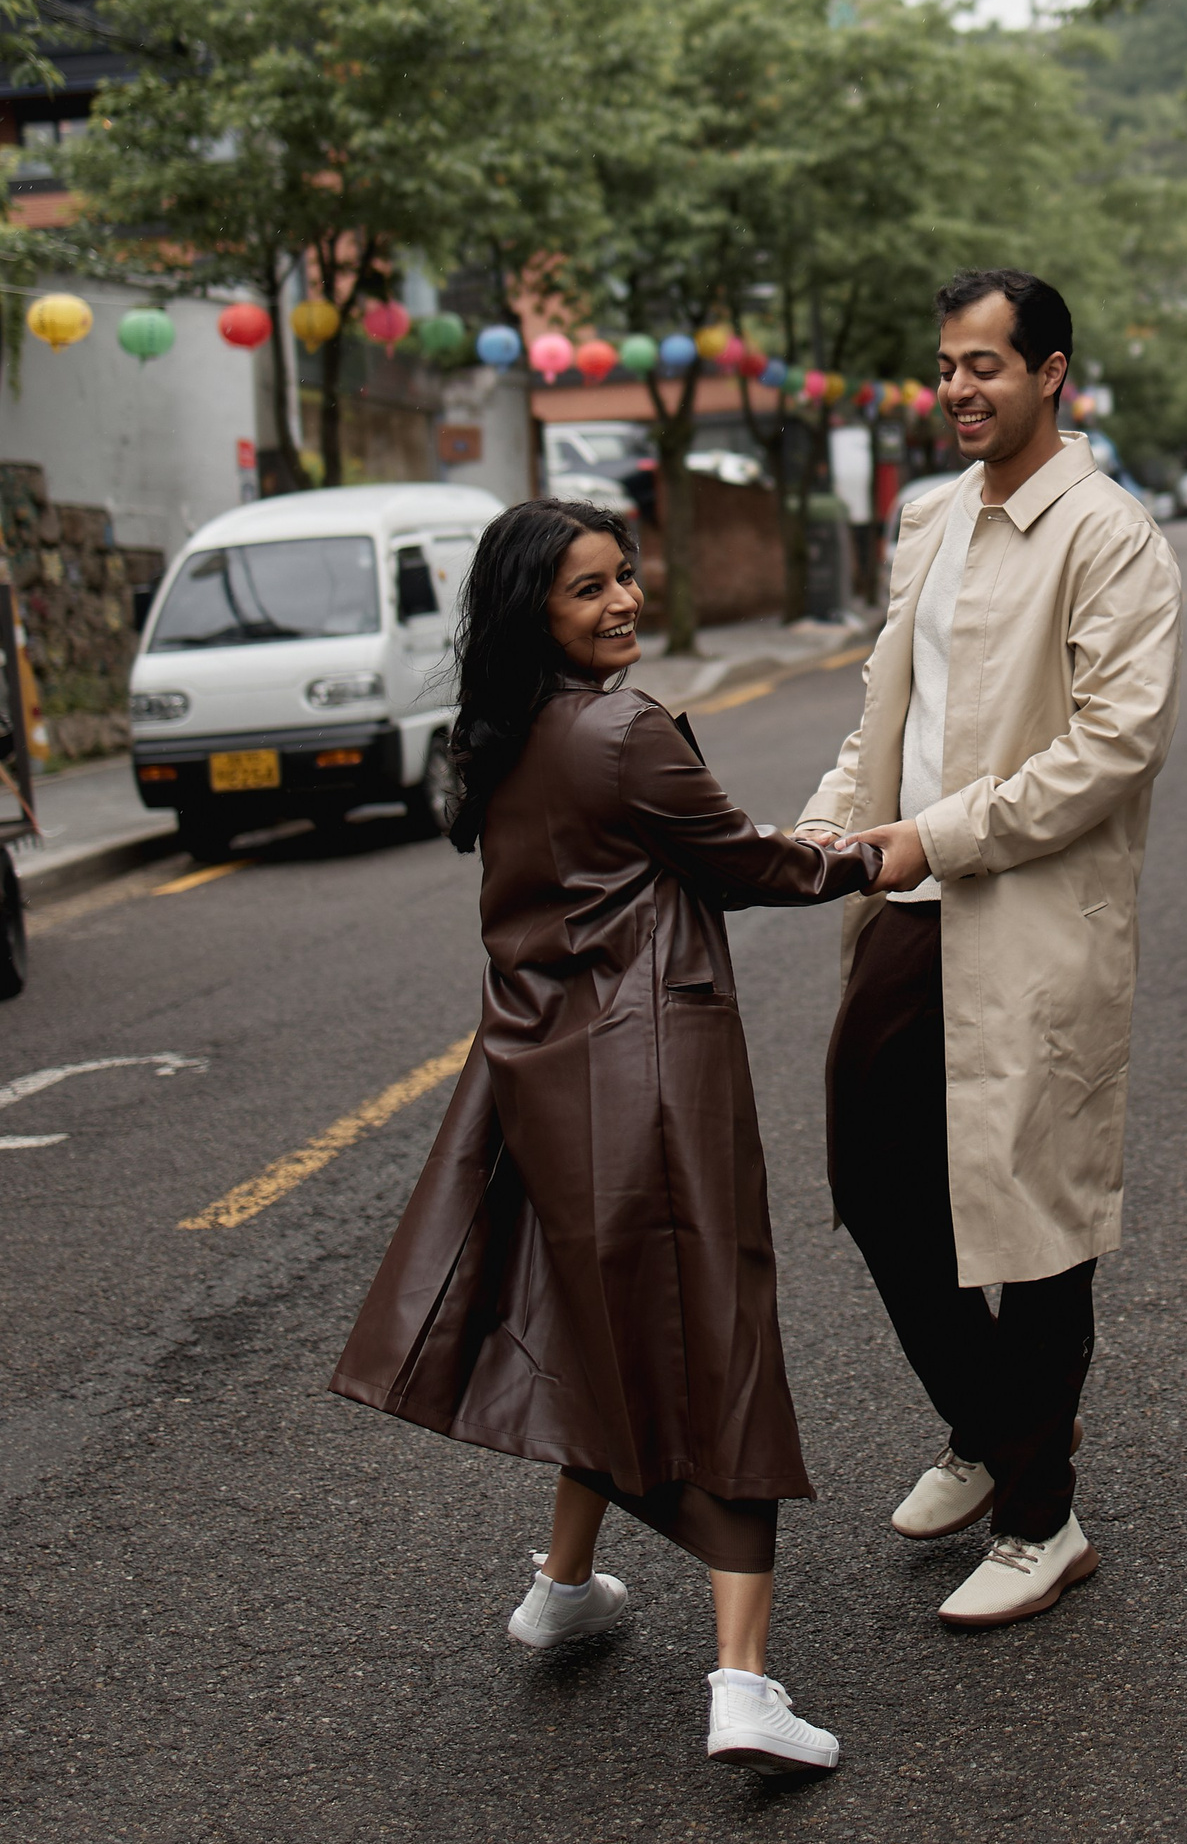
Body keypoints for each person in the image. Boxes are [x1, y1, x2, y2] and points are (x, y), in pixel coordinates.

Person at [330, 499, 880, 1775]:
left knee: (594, 1315)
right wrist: (865, 858)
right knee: (714, 1333)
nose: (624, 599)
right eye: (588, 588)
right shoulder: (625, 731)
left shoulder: (500, 732)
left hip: (539, 1072)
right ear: (536, 610)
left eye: (624, 574)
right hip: (654, 1078)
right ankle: (743, 1683)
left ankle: (566, 1584)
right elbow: (748, 864)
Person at [795, 270, 1183, 1630]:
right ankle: (994, 1421)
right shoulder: (931, 519)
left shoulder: (1108, 534)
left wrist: (937, 835)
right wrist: (824, 832)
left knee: (1037, 1210)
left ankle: (1038, 1518)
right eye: (948, 365)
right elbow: (886, 717)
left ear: (1051, 373)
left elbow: (1113, 745)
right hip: (908, 896)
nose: (959, 389)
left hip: (1027, 910)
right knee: (874, 1172)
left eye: (987, 366)